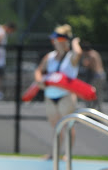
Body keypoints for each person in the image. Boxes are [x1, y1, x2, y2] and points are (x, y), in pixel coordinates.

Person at [34, 24, 82, 159]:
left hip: (66, 95)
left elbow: (78, 53)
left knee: (67, 125)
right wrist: (39, 81)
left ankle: (68, 153)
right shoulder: (49, 57)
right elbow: (39, 70)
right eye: (54, 40)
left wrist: (74, 42)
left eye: (58, 40)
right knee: (56, 127)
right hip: (50, 95)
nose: (55, 43)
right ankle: (54, 153)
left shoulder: (71, 56)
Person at [79, 41, 105, 111]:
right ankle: (98, 110)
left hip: (96, 76)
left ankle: (93, 110)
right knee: (98, 94)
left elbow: (86, 64)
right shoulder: (95, 53)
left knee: (90, 93)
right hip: (102, 75)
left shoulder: (90, 55)